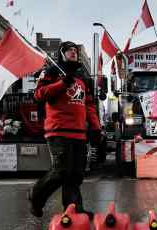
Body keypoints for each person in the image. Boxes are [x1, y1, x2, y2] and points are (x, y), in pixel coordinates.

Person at [27, 41, 101, 219]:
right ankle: (36, 197)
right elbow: (39, 95)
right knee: (61, 171)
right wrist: (62, 84)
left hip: (79, 133)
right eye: (69, 50)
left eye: (76, 50)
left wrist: (96, 127)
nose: (74, 52)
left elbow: (89, 105)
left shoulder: (83, 77)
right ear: (62, 53)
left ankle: (74, 209)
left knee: (76, 174)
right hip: (58, 130)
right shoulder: (52, 72)